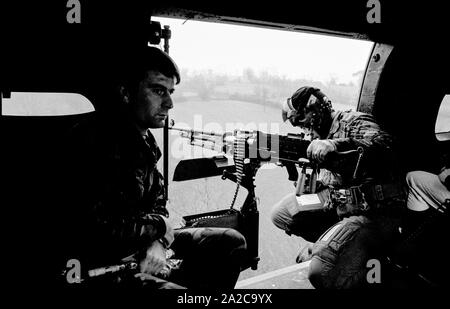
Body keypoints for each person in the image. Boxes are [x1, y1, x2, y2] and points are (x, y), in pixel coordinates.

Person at [61, 46, 247, 289]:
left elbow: (157, 200)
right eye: (158, 91)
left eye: (170, 92)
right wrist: (159, 228)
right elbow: (97, 229)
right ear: (126, 92)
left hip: (141, 245)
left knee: (229, 242)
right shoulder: (95, 141)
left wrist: (157, 241)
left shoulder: (144, 141)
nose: (169, 103)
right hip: (99, 264)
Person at [271, 86, 404, 288]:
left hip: (374, 210)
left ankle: (371, 266)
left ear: (316, 110)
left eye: (302, 120)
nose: (301, 128)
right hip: (339, 202)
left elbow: (385, 144)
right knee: (282, 213)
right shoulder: (316, 134)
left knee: (320, 272)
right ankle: (336, 244)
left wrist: (335, 145)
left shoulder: (353, 121)